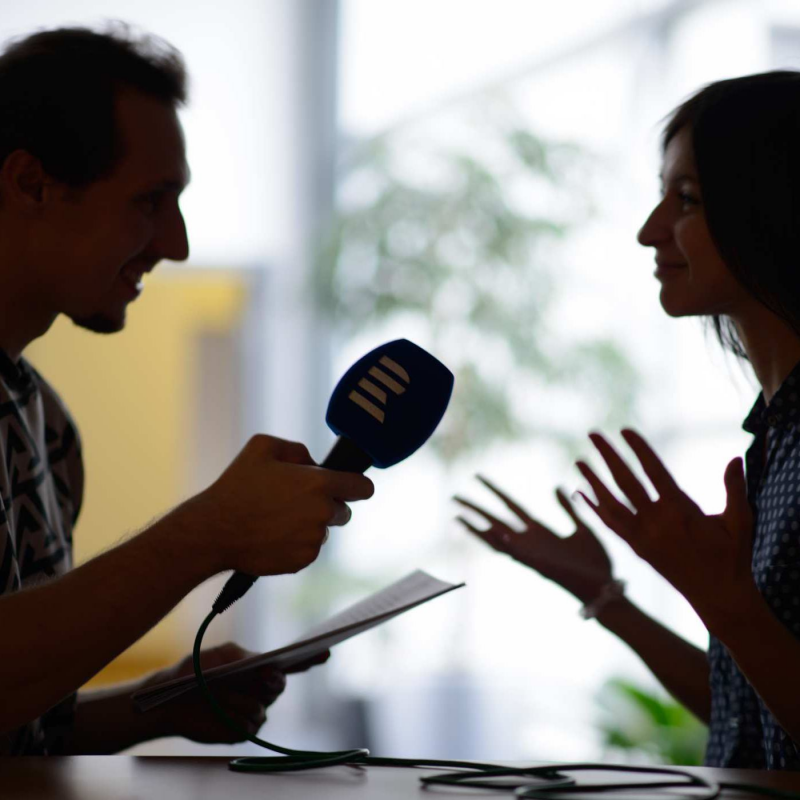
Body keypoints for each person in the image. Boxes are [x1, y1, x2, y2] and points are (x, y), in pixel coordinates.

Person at [0, 23, 374, 755]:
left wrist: (155, 706)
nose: (177, 244)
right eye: (150, 200)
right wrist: (208, 534)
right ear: (31, 184)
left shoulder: (46, 425)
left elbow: (19, 719)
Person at [455, 70, 800, 770]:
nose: (650, 230)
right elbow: (754, 715)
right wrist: (605, 596)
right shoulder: (775, 434)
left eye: (688, 199)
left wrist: (724, 600)